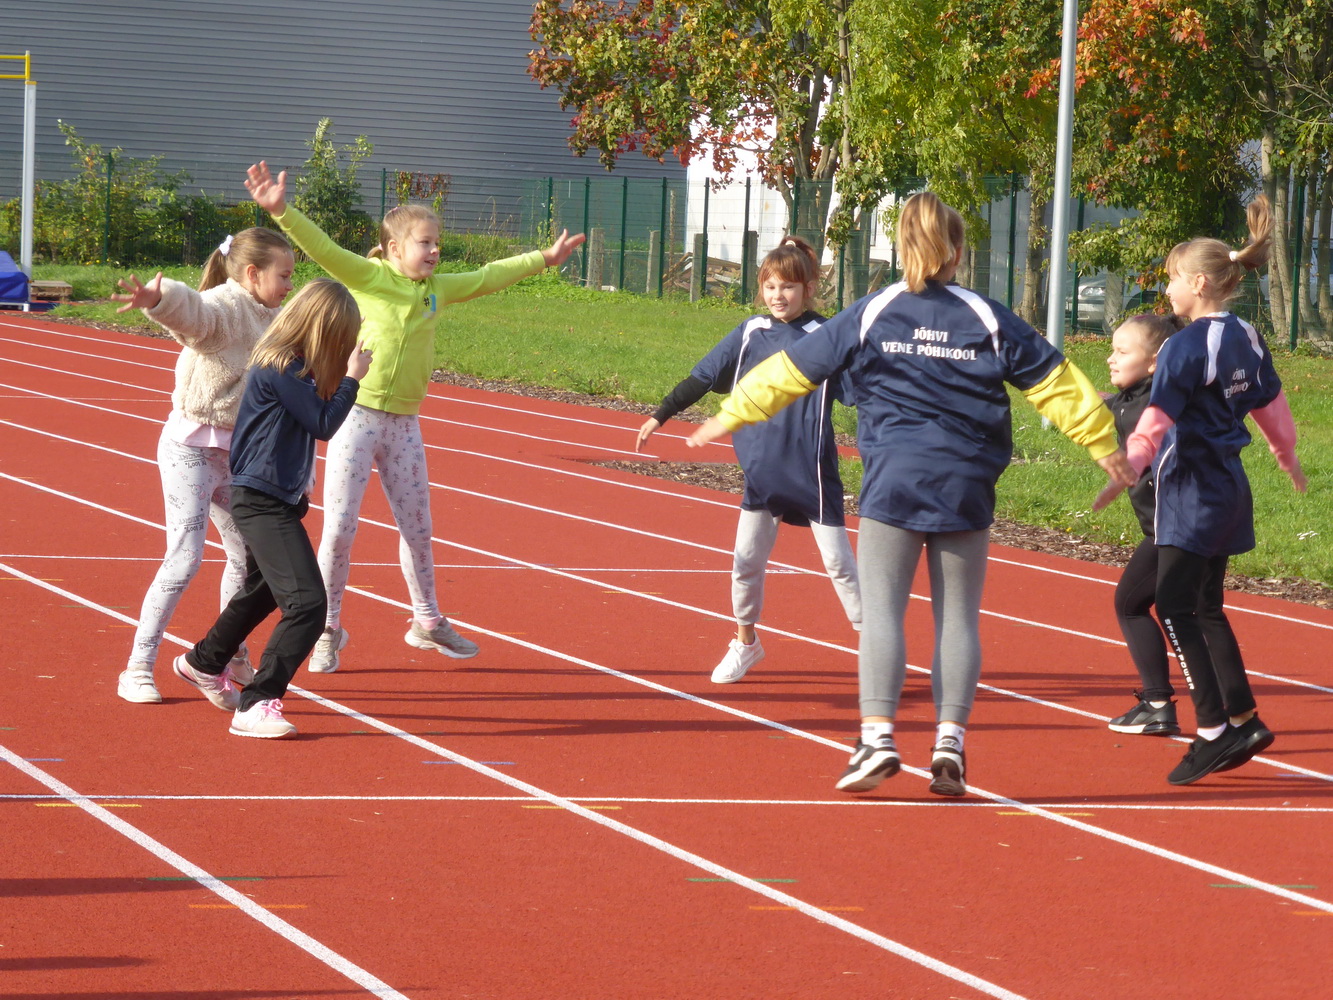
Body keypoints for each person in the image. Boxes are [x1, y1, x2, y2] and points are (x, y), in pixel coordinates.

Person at [688, 192, 1134, 797]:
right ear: (957, 253)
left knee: (884, 616)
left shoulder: (872, 312)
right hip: (966, 485)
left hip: (894, 483)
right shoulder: (988, 316)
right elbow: (1056, 382)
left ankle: (877, 739)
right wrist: (1103, 444)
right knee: (958, 619)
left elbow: (793, 369)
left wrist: (730, 415)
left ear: (902, 249)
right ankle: (950, 742)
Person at [244, 161, 585, 673]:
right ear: (395, 247)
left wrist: (544, 258)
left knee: (419, 527)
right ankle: (329, 627)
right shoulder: (369, 276)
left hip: (404, 424)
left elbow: (489, 276)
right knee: (339, 529)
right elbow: (325, 251)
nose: (434, 251)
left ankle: (426, 619)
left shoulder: (437, 289)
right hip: (355, 416)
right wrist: (282, 212)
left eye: (437, 242)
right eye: (424, 242)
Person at [1095, 195, 1306, 785]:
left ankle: (1212, 729)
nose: (1167, 292)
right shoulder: (1248, 334)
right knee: (1206, 606)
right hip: (1230, 487)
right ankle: (1243, 716)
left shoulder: (1187, 345)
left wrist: (1130, 465)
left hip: (1190, 491)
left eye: (1170, 281)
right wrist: (1285, 455)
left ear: (1197, 282)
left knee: (1175, 605)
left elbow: (1157, 418)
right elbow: (1272, 405)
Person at [635, 237, 861, 683]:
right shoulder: (749, 333)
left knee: (840, 566)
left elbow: (864, 392)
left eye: (790, 287)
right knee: (745, 562)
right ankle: (745, 642)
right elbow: (702, 376)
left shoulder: (826, 337)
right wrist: (661, 414)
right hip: (763, 476)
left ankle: (877, 647)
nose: (779, 296)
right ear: (761, 289)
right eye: (771, 286)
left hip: (812, 475)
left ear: (810, 288)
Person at [173, 279, 371, 738]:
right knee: (307, 605)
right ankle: (258, 701)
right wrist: (352, 379)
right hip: (261, 500)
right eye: (342, 337)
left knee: (263, 590)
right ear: (323, 329)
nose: (345, 347)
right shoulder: (283, 366)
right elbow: (323, 424)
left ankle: (203, 661)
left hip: (275, 498)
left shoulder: (293, 368)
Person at [111, 228, 295, 704]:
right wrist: (160, 298)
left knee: (248, 559)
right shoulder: (225, 307)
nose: (290, 285)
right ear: (252, 274)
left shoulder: (275, 315)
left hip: (238, 456)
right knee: (185, 557)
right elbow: (192, 312)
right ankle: (137, 667)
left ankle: (221, 661)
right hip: (190, 449)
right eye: (284, 276)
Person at [1103, 312, 1189, 736]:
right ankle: (1219, 709)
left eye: (1122, 352)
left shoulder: (1150, 406)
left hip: (1174, 528)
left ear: (1154, 361)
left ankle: (1165, 705)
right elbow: (1111, 403)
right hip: (1179, 525)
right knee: (1194, 614)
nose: (1110, 359)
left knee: (1132, 604)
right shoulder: (1142, 395)